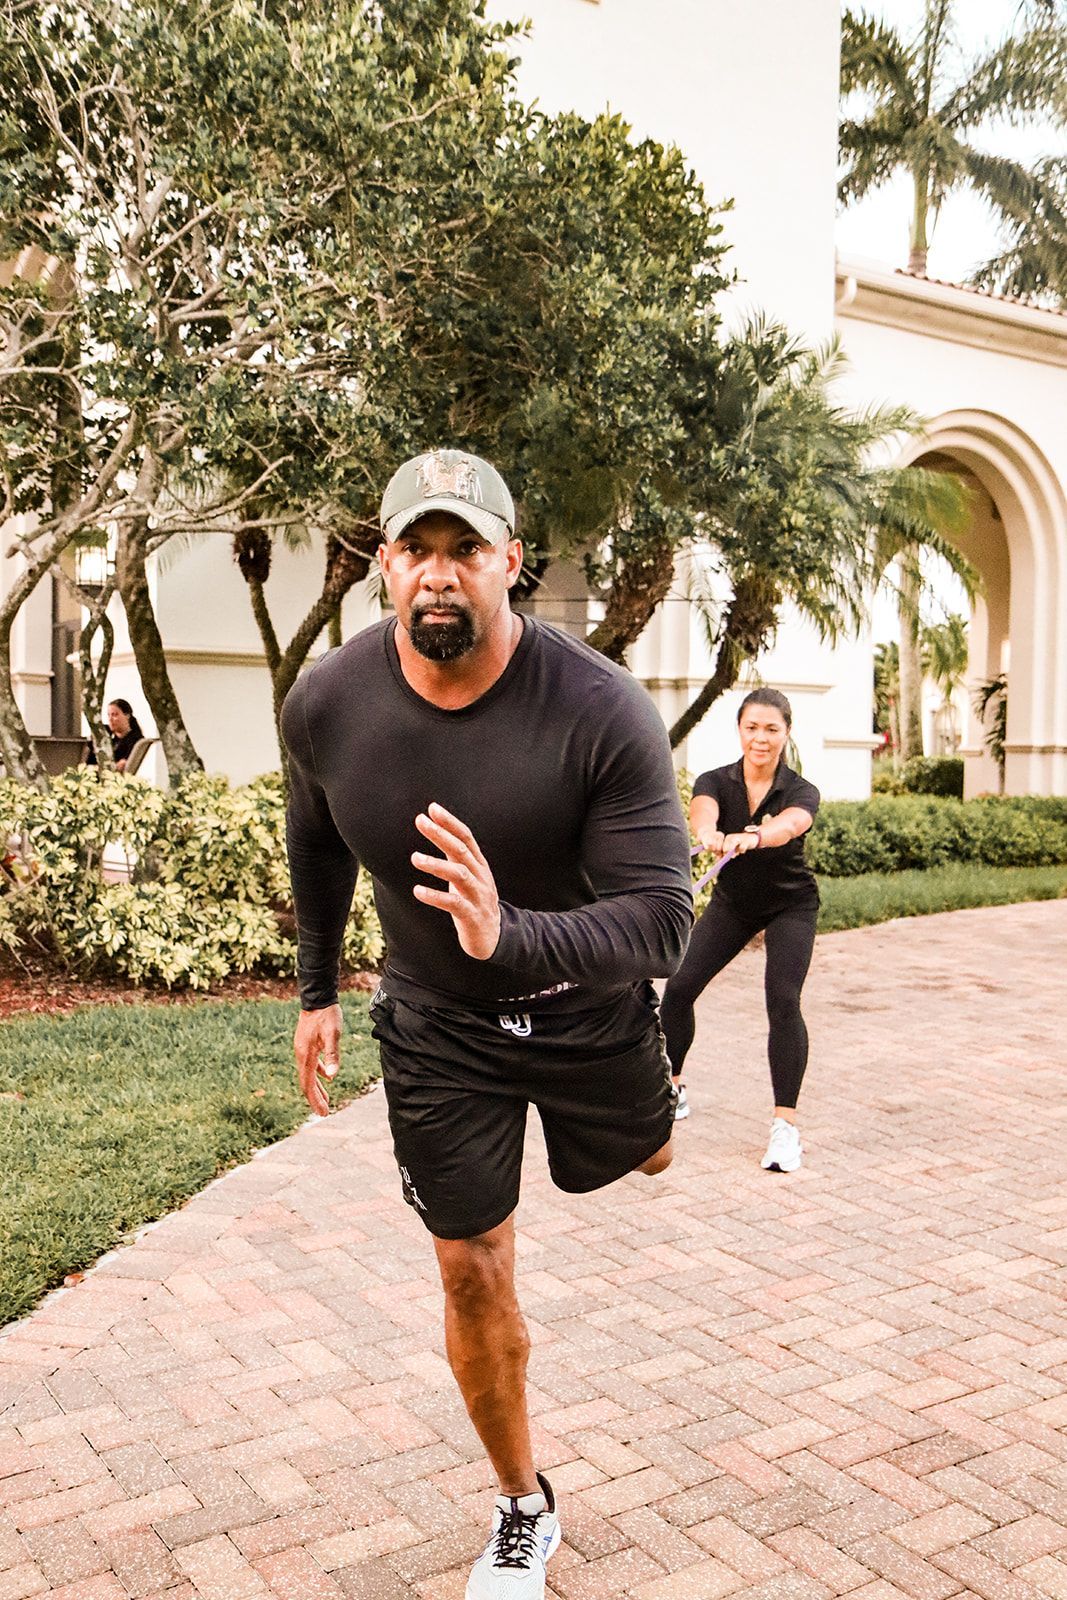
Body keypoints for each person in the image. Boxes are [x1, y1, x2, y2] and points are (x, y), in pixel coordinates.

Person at [281, 448, 692, 1600]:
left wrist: (509, 933)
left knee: (650, 1154)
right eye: (417, 547)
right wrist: (317, 988)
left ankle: (658, 1098)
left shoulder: (600, 707)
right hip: (436, 1026)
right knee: (469, 1265)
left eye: (467, 549)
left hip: (586, 1010)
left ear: (512, 562)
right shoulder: (326, 703)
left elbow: (662, 921)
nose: (439, 574)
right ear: (382, 566)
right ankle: (522, 1503)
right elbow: (314, 837)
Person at [660, 689, 820, 1173]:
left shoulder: (799, 789)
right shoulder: (716, 780)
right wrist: (708, 834)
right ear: (740, 730)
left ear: (787, 733)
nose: (761, 738)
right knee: (679, 988)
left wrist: (756, 835)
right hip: (734, 906)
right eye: (752, 727)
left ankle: (785, 1127)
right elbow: (702, 810)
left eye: (772, 729)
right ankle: (674, 1087)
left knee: (783, 1000)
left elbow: (792, 825)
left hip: (791, 905)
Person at [85, 699, 144, 771]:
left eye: (115, 715)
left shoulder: (134, 739)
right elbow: (87, 763)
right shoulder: (108, 738)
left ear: (127, 715)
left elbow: (122, 765)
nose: (110, 719)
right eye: (108, 715)